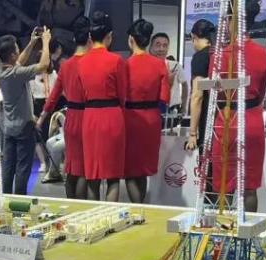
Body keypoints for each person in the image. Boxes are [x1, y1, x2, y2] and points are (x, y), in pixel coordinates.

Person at [210, 0, 266, 214]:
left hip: (225, 121)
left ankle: (222, 230)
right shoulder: (263, 53)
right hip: (252, 120)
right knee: (249, 186)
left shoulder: (220, 55)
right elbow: (261, 91)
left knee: (223, 186)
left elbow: (213, 92)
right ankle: (248, 230)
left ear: (231, 21)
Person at [38, 17, 91, 200]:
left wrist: (41, 119)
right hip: (90, 116)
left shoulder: (66, 66)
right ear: (90, 38)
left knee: (71, 166)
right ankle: (82, 206)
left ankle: (72, 204)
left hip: (71, 118)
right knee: (85, 168)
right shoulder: (92, 62)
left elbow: (53, 97)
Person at [0, 28, 53, 195]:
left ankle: (5, 197)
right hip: (24, 127)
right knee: (23, 168)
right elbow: (43, 65)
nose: (19, 51)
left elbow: (18, 61)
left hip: (8, 127)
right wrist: (46, 41)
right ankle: (20, 199)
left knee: (8, 167)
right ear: (12, 54)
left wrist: (32, 42)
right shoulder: (17, 74)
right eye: (17, 48)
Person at [77, 11, 127, 201]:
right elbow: (122, 94)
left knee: (93, 175)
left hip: (90, 117)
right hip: (112, 116)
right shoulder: (116, 60)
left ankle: (94, 216)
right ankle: (111, 216)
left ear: (90, 36)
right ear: (109, 36)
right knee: (113, 176)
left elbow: (82, 92)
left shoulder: (82, 62)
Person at [124, 19, 169, 204]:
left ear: (131, 39)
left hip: (130, 119)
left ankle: (137, 208)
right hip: (152, 119)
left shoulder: (125, 65)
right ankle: (141, 207)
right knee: (143, 169)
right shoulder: (160, 65)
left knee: (130, 169)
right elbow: (164, 98)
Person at [31, 40, 62, 183]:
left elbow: (59, 90)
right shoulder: (32, 76)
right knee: (38, 136)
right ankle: (43, 162)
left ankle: (55, 162)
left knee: (54, 134)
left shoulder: (53, 74)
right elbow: (31, 94)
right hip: (38, 104)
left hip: (52, 105)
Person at [186, 20, 216, 153]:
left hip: (207, 120)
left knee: (207, 161)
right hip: (224, 118)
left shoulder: (200, 57)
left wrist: (192, 133)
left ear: (194, 37)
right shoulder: (220, 55)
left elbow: (197, 96)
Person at [150, 33, 188, 121]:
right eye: (158, 45)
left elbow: (185, 85)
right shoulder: (146, 66)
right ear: (151, 47)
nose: (161, 49)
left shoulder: (175, 65)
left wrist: (183, 106)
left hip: (172, 109)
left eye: (165, 46)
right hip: (152, 109)